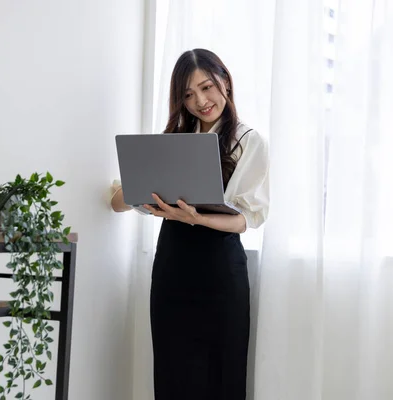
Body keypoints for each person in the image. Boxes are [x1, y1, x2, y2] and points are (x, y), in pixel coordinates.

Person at [110, 48, 269, 399]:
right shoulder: (172, 142)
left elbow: (247, 219)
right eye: (188, 94)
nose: (201, 100)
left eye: (207, 87)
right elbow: (119, 201)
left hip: (220, 271)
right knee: (173, 376)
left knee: (221, 376)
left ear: (225, 82)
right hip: (172, 269)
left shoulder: (248, 141)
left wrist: (196, 217)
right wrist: (134, 187)